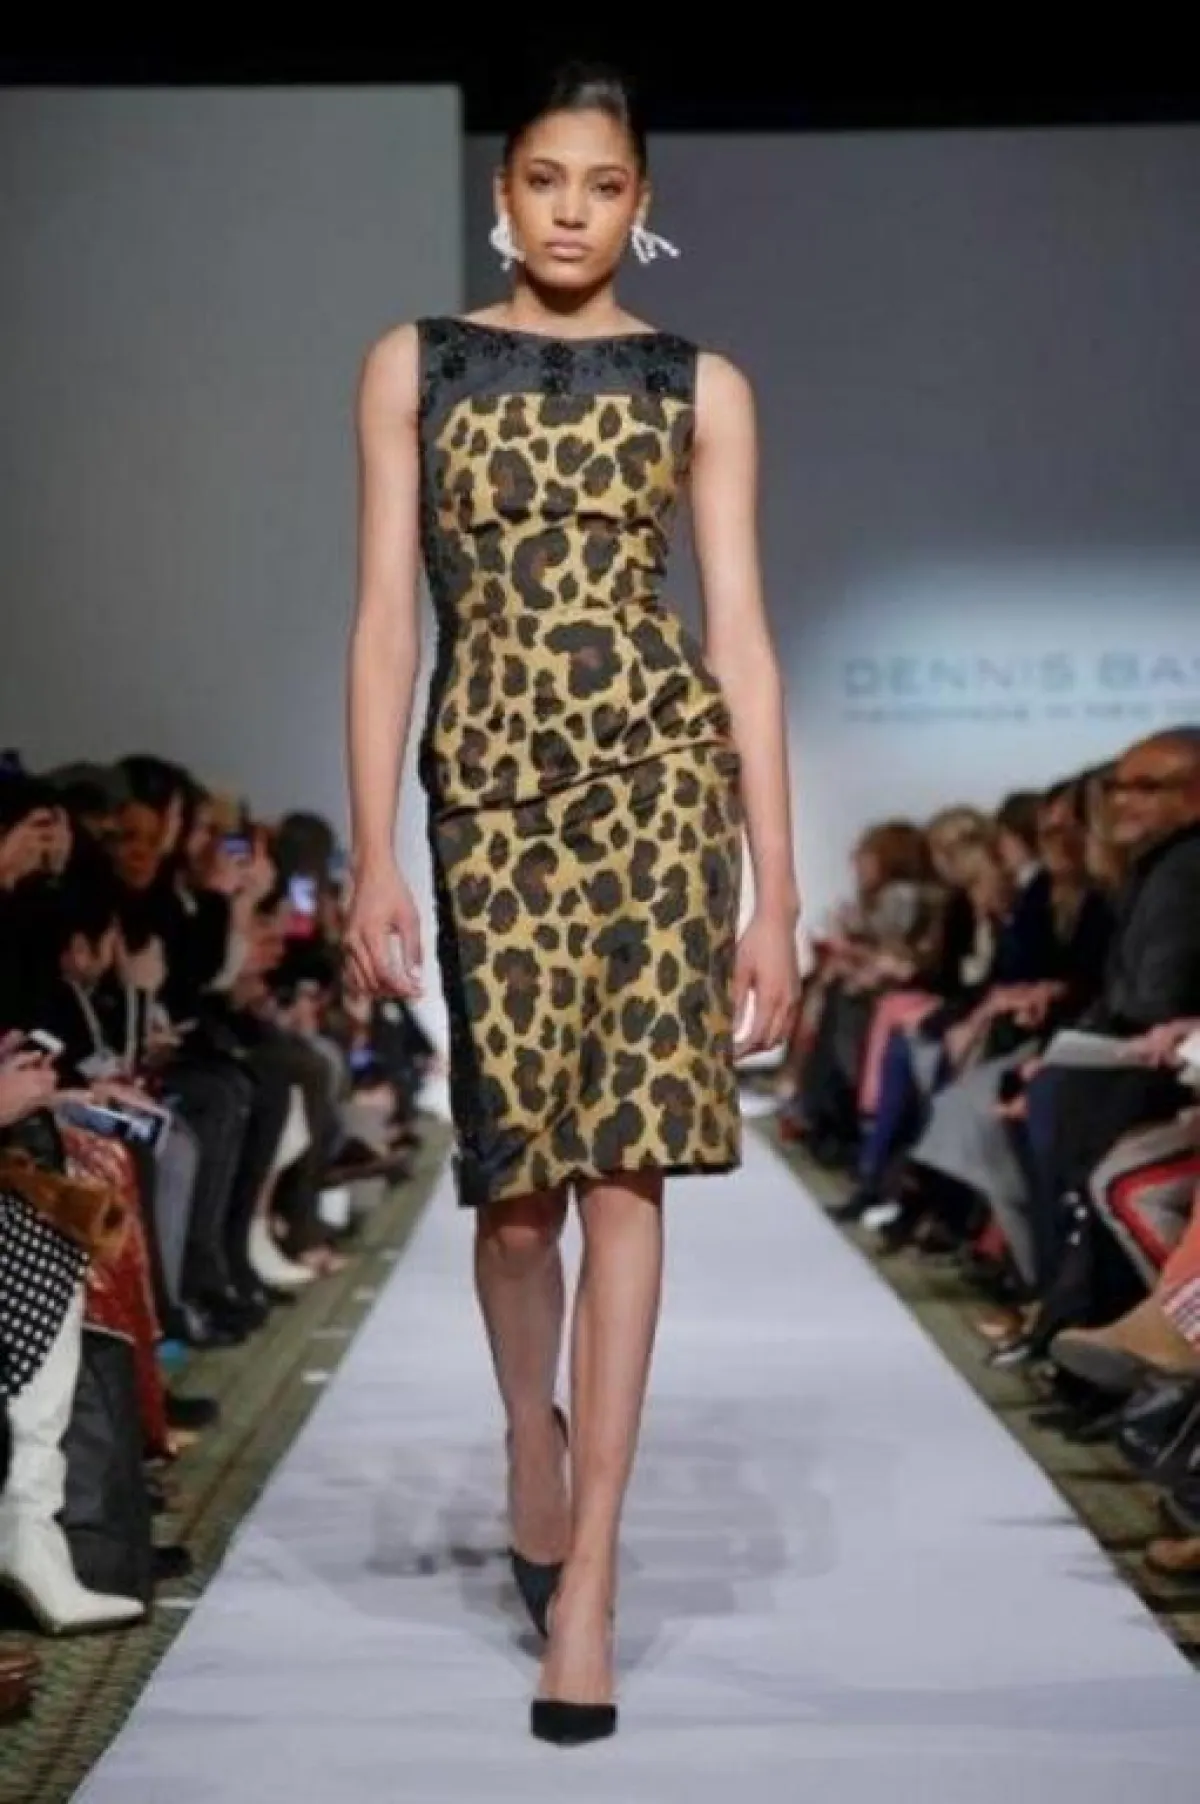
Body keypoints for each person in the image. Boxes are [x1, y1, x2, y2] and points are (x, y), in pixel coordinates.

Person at [342, 60, 802, 1745]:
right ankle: (528, 1440)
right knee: (515, 1202)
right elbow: (386, 618)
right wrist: (374, 847)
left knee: (625, 1175)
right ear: (504, 190)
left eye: (603, 185)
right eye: (545, 177)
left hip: (661, 795)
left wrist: (775, 889)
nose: (570, 210)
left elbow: (739, 637)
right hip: (490, 803)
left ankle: (591, 1574)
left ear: (640, 205)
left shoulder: (700, 386)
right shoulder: (417, 364)